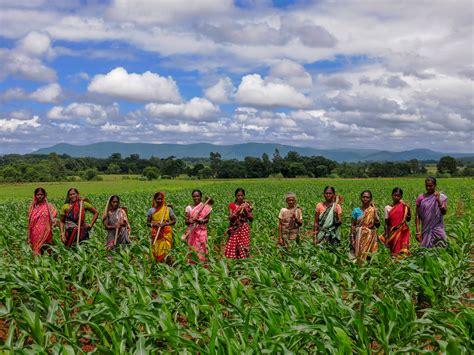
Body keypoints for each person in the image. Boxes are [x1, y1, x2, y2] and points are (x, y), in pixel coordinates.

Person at [416, 177, 448, 248]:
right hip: (426, 228)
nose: (428, 188)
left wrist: (439, 201)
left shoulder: (441, 197)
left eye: (431, 186)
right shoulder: (421, 198)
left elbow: (444, 212)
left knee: (442, 246)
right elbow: (417, 216)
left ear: (435, 185)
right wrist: (418, 232)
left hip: (438, 227)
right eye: (427, 186)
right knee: (427, 249)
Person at [183, 190, 213, 262]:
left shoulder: (205, 207)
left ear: (201, 197)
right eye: (194, 196)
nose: (196, 198)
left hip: (201, 231)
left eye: (197, 196)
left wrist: (200, 221)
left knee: (201, 248)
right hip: (191, 231)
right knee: (192, 249)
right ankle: (192, 265)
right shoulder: (189, 208)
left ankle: (201, 263)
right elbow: (186, 221)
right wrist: (190, 221)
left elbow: (207, 220)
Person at [351, 190, 380, 262]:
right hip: (359, 236)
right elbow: (353, 225)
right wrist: (352, 238)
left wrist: (375, 212)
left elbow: (378, 225)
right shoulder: (356, 210)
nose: (365, 199)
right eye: (363, 197)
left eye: (367, 197)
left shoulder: (373, 210)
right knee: (358, 255)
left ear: (370, 199)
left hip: (370, 237)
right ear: (361, 198)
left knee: (368, 256)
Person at [147, 191, 176, 262]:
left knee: (167, 251)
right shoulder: (151, 210)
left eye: (161, 199)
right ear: (155, 200)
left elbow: (174, 220)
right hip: (156, 234)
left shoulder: (168, 209)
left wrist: (165, 224)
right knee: (157, 250)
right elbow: (147, 223)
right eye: (158, 199)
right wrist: (154, 225)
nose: (160, 201)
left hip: (166, 234)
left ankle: (168, 265)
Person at [27, 187, 57, 255]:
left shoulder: (49, 206)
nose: (39, 196)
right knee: (37, 250)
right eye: (38, 194)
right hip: (35, 233)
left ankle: (50, 263)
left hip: (47, 232)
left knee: (47, 249)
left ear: (44, 195)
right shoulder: (32, 207)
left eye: (41, 194)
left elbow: (53, 215)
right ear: (35, 195)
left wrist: (54, 220)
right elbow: (30, 222)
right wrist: (28, 235)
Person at [225, 188, 253, 259]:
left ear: (244, 196)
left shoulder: (247, 205)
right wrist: (238, 211)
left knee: (243, 247)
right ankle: (233, 263)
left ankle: (243, 263)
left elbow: (251, 219)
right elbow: (230, 218)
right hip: (235, 229)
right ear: (235, 196)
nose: (240, 197)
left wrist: (246, 210)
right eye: (238, 195)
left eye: (242, 195)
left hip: (243, 228)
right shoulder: (232, 205)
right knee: (233, 246)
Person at [383, 188, 411, 256]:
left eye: (398, 196)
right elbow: (386, 224)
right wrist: (386, 238)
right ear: (392, 195)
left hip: (402, 232)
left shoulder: (404, 206)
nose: (396, 197)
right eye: (395, 195)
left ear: (401, 197)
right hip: (392, 233)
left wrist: (409, 209)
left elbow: (408, 219)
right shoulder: (387, 208)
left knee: (403, 252)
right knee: (394, 253)